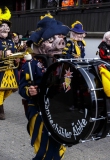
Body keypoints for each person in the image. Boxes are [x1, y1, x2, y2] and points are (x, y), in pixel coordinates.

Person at [19, 13, 70, 159]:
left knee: (59, 147)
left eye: (61, 38)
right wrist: (29, 90)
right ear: (40, 45)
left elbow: (68, 85)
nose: (59, 42)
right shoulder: (31, 65)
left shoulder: (63, 63)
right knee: (44, 148)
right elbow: (22, 88)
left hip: (58, 111)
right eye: (51, 40)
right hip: (39, 111)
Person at [62, 21, 87, 112]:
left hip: (79, 67)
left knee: (81, 87)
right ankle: (73, 104)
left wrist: (81, 60)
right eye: (78, 33)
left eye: (81, 33)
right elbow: (65, 55)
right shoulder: (70, 43)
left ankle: (81, 106)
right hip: (71, 68)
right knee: (71, 87)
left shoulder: (82, 44)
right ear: (73, 33)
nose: (80, 35)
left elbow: (83, 55)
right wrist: (73, 58)